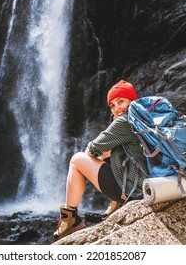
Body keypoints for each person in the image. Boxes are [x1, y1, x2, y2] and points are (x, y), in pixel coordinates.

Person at [54, 80, 149, 240]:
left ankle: (70, 218)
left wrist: (95, 156)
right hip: (148, 185)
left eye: (121, 102)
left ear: (132, 101)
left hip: (135, 191)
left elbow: (91, 150)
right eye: (112, 105)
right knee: (109, 155)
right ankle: (114, 203)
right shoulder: (145, 118)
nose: (116, 108)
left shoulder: (124, 121)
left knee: (77, 159)